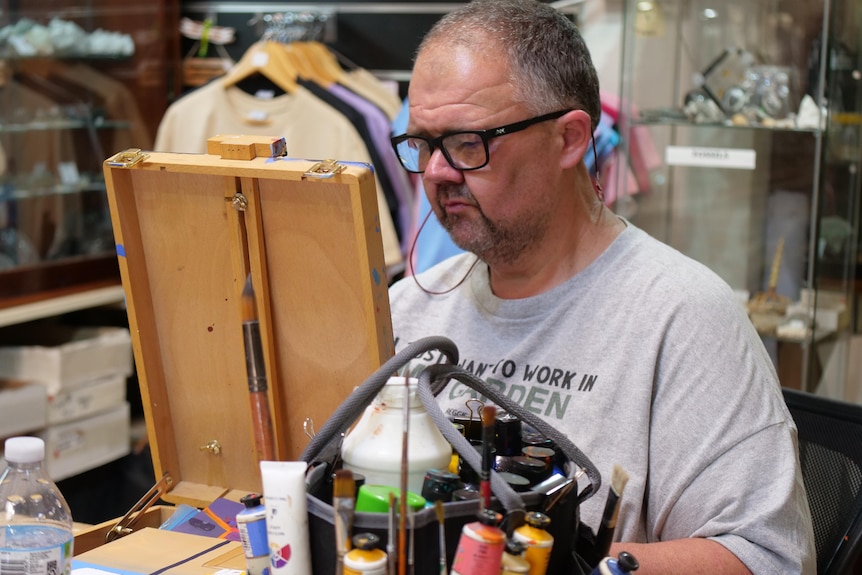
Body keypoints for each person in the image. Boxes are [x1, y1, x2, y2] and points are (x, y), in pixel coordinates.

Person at [386, 1, 816, 573]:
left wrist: (549, 562)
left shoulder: (683, 318)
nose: (437, 172)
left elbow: (769, 559)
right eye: (421, 144)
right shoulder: (407, 309)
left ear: (569, 139)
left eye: (468, 143)